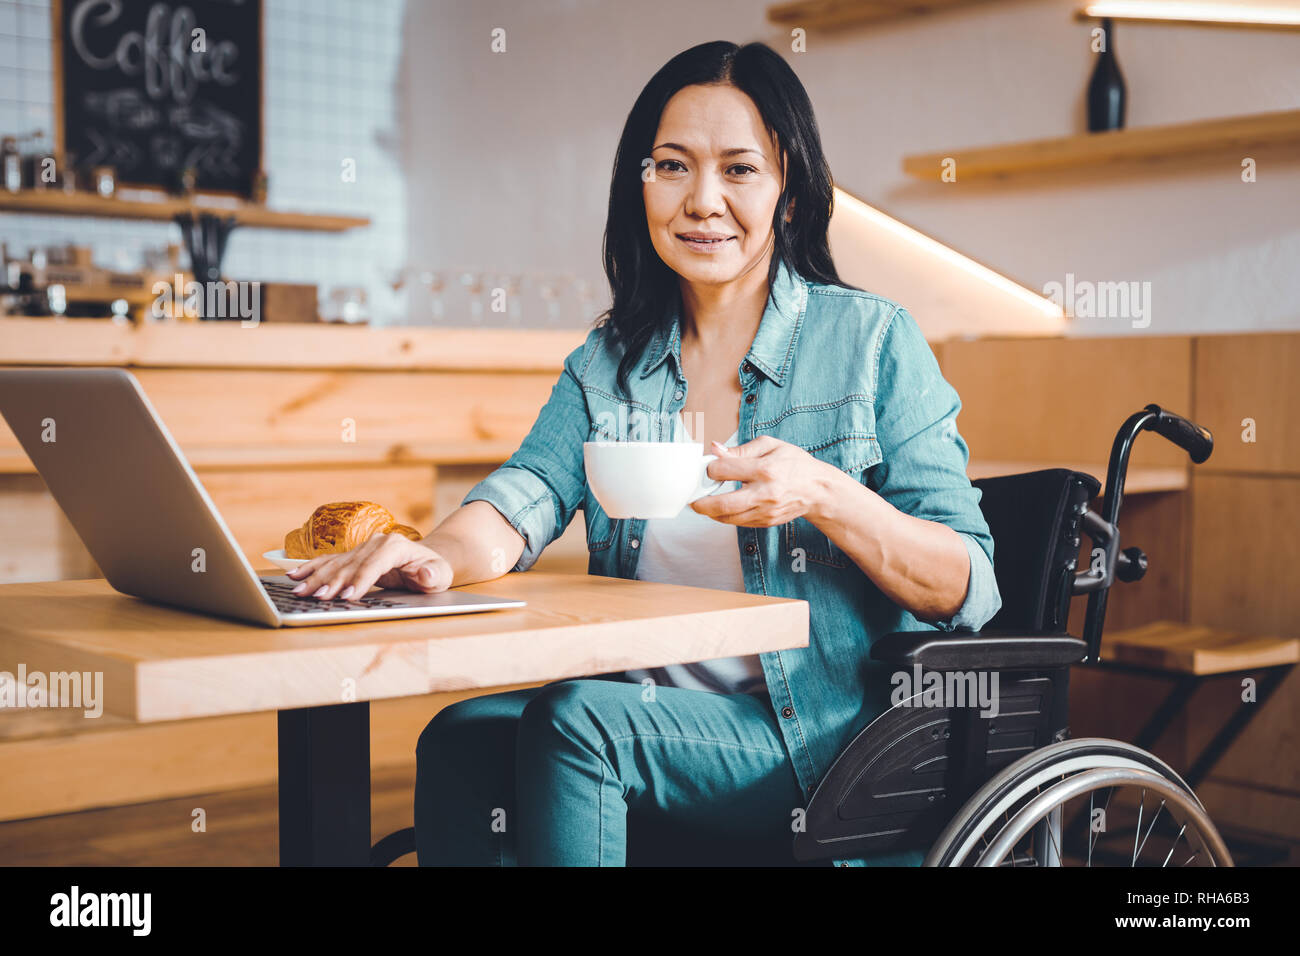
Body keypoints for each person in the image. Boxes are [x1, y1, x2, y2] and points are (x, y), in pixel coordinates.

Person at [285, 40, 1001, 866]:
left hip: (821, 736)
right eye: (672, 167)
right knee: (460, 735)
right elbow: (527, 492)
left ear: (791, 194)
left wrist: (825, 493)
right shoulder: (609, 361)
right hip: (649, 712)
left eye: (739, 170)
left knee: (577, 724)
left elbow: (968, 587)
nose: (702, 201)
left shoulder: (873, 340)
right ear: (642, 182)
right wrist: (436, 556)